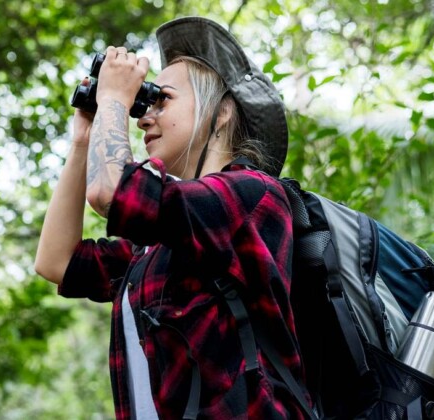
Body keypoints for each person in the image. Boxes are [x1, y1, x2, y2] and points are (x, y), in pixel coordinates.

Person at [35, 16, 311, 419]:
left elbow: (108, 192)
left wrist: (114, 98)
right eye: (144, 104)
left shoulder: (252, 194)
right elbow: (56, 262)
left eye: (161, 100)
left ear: (222, 114)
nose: (144, 116)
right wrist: (84, 140)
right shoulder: (157, 247)